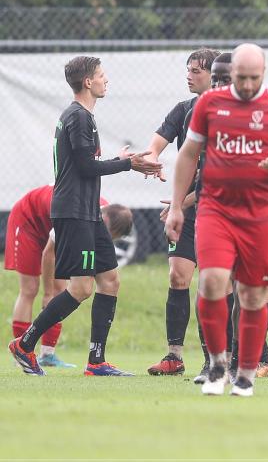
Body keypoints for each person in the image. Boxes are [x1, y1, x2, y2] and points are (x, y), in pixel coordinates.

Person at [8, 56, 161, 376]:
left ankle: (97, 361)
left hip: (89, 212)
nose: (106, 80)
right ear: (88, 82)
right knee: (80, 289)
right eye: (102, 76)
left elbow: (85, 164)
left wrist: (119, 159)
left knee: (110, 280)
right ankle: (25, 344)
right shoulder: (78, 117)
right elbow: (85, 168)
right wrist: (128, 164)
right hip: (73, 213)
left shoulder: (82, 116)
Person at [165, 43, 268, 397]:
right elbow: (187, 155)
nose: (246, 84)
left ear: (264, 74)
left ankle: (246, 372)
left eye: (254, 78)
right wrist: (178, 206)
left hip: (260, 215)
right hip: (216, 210)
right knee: (211, 282)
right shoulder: (210, 105)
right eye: (241, 77)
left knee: (254, 295)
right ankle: (216, 363)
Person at [145, 48, 222, 377]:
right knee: (178, 276)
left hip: (216, 209)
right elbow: (157, 143)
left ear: (213, 75)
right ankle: (174, 356)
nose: (189, 75)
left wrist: (181, 202)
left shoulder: (225, 114)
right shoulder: (184, 109)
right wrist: (150, 159)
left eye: (196, 71)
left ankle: (214, 358)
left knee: (214, 284)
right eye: (188, 69)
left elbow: (214, 175)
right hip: (189, 210)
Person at [6, 185, 131, 367]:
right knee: (30, 289)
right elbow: (49, 252)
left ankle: (47, 355)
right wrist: (48, 291)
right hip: (28, 222)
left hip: (55, 225)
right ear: (104, 218)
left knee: (62, 290)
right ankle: (21, 354)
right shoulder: (77, 212)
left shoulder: (101, 216)